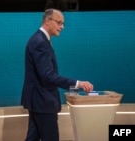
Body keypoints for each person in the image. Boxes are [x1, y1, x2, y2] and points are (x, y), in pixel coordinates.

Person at [21, 8, 94, 141]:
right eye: (59, 23)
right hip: (43, 101)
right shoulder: (40, 42)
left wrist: (74, 88)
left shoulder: (40, 39)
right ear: (48, 21)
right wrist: (78, 84)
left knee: (33, 137)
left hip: (39, 101)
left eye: (63, 24)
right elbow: (48, 76)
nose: (62, 27)